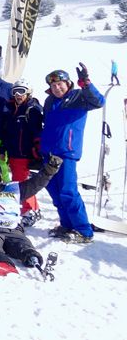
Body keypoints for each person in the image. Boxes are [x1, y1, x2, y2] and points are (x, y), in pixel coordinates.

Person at [41, 64, 105, 244]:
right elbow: (47, 125)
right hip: (49, 153)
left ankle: (84, 231)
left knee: (68, 191)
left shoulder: (79, 97)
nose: (57, 88)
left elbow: (99, 102)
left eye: (60, 84)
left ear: (68, 83)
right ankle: (67, 224)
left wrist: (86, 84)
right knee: (54, 192)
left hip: (66, 152)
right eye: (53, 85)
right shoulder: (50, 101)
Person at [0, 79, 44, 225]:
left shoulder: (32, 109)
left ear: (29, 93)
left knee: (22, 184)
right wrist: (2, 149)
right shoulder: (12, 109)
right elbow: (7, 132)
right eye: (15, 92)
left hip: (24, 154)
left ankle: (29, 211)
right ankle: (33, 209)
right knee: (20, 182)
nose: (18, 95)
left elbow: (37, 133)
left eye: (22, 91)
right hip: (13, 153)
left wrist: (36, 152)